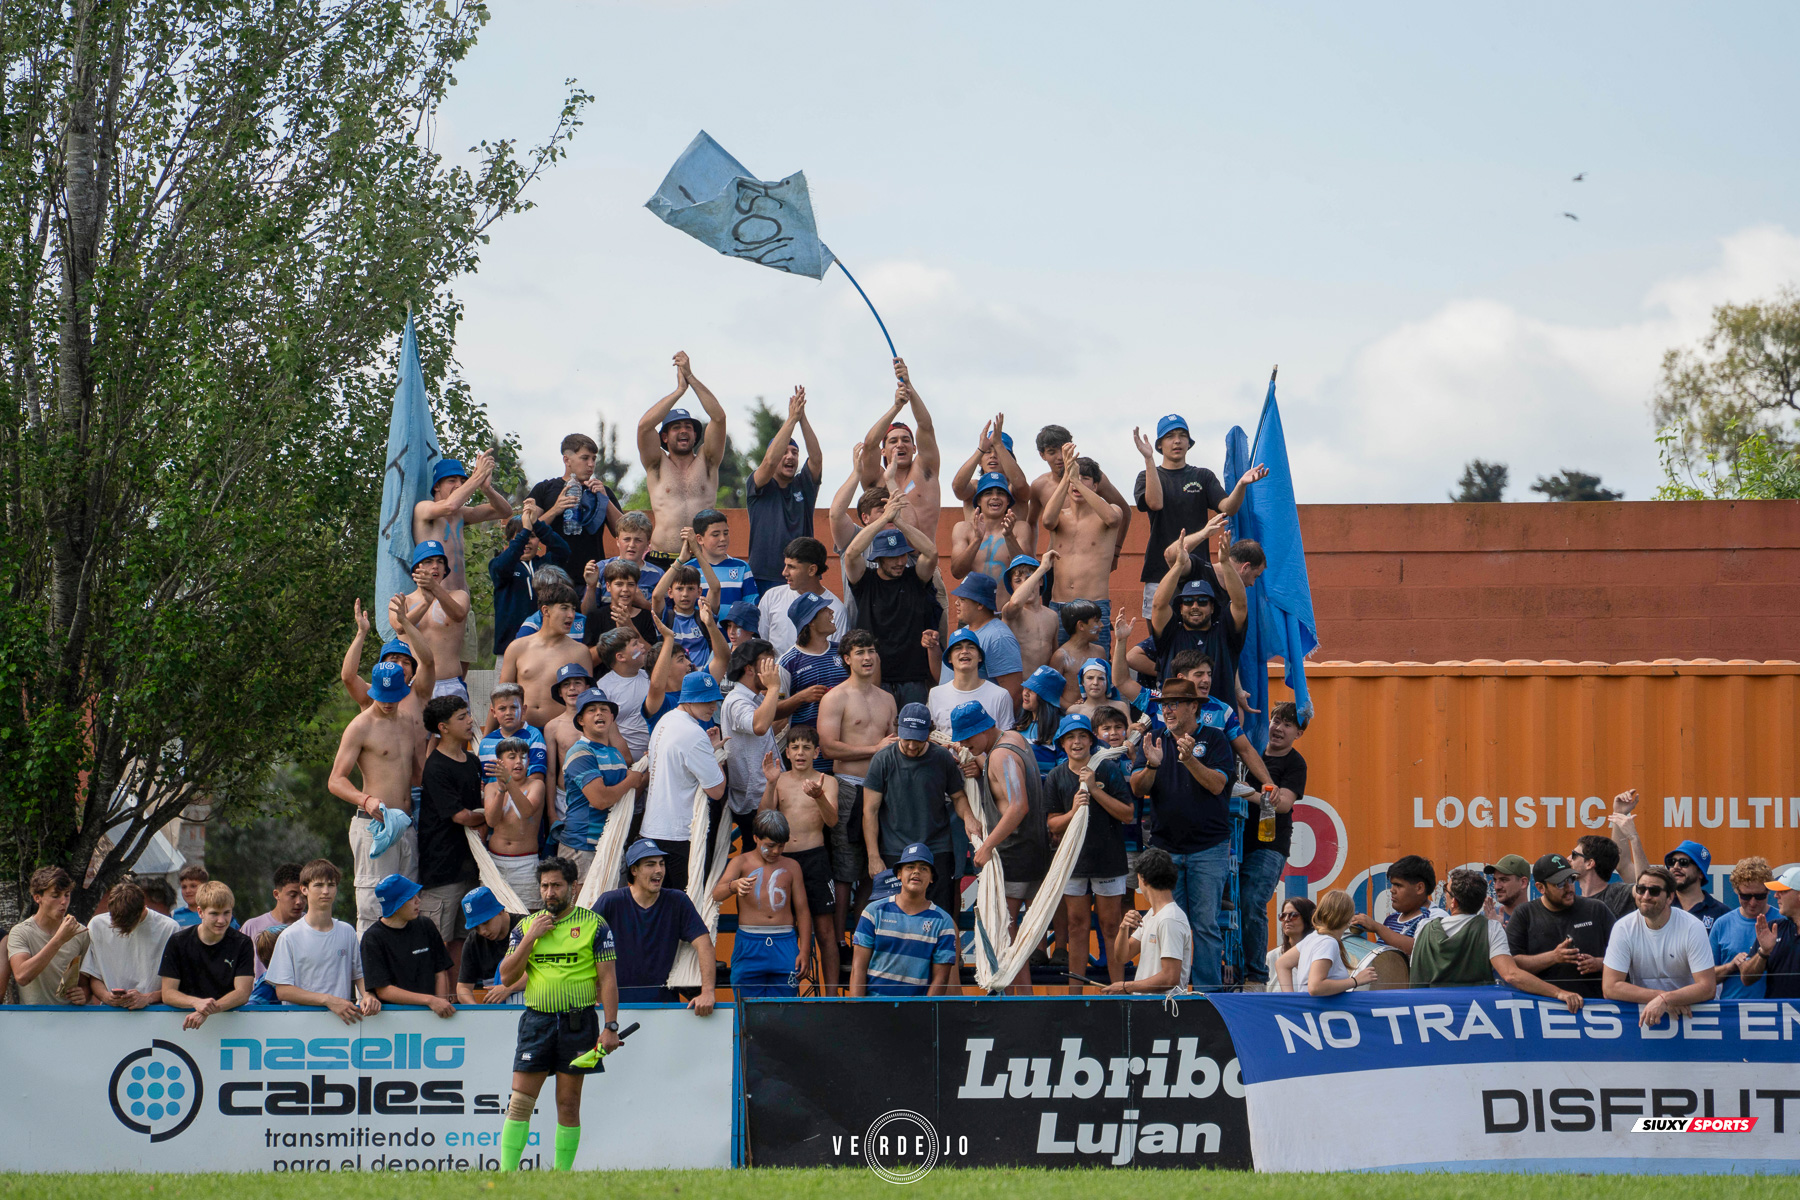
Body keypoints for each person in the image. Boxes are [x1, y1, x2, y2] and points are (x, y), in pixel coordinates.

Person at [496, 857, 623, 1173]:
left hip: (578, 1024)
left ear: (573, 887)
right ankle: (507, 1175)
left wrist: (610, 1027)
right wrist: (531, 937)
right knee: (520, 1103)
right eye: (544, 886)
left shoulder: (595, 925)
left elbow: (607, 979)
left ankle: (561, 1177)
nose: (549, 892)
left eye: (556, 885)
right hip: (536, 1022)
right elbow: (507, 977)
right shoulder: (527, 926)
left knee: (568, 1104)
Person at [1129, 678, 1230, 988]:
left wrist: (1189, 761)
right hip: (1166, 851)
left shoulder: (1214, 739)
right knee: (1166, 924)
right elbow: (1137, 788)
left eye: (1174, 704)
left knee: (1205, 927)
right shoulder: (1155, 738)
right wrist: (1153, 766)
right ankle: (1169, 992)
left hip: (1208, 848)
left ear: (1194, 707)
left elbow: (1217, 785)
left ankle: (1206, 998)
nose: (1168, 710)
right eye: (1164, 705)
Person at [954, 701, 1048, 993]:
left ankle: (1024, 1003)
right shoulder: (1014, 738)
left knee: (1007, 936)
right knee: (1017, 936)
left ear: (983, 729)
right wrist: (980, 765)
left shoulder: (1001, 756)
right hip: (1035, 851)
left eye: (968, 739)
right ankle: (1025, 998)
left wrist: (986, 848)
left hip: (1012, 854)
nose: (966, 745)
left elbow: (1018, 806)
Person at [1132, 413, 1265, 618]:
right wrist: (1148, 459)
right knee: (1161, 642)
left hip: (1197, 572)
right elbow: (1155, 503)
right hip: (1160, 572)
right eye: (1170, 436)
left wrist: (1241, 485)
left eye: (1182, 435)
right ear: (1159, 445)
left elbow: (1228, 508)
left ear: (1189, 442)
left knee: (1200, 638)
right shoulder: (1147, 476)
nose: (1177, 440)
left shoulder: (1202, 476)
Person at [327, 660, 421, 932]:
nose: (388, 703)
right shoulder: (361, 725)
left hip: (405, 825)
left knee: (408, 906)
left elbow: (417, 774)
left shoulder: (407, 721)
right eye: (382, 697)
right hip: (374, 825)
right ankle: (367, 974)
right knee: (373, 908)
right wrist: (365, 799)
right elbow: (335, 780)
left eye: (393, 698)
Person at [1410, 869, 1583, 1011]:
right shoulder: (1490, 928)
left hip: (1428, 1014)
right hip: (1476, 1015)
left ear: (1453, 902)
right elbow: (1512, 974)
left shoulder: (1423, 927)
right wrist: (1559, 993)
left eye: (1446, 892)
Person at [816, 630, 897, 934]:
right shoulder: (835, 697)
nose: (867, 657)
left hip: (882, 789)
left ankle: (862, 934)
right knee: (846, 869)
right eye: (860, 652)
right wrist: (873, 749)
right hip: (849, 787)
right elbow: (828, 747)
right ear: (847, 659)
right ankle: (839, 939)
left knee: (871, 870)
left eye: (871, 651)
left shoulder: (887, 699)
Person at [1044, 715, 1134, 987]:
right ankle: (1076, 995)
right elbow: (1052, 824)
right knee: (1076, 926)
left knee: (1110, 926)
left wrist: (1094, 790)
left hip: (1108, 860)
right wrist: (1073, 811)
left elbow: (1128, 814)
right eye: (1071, 737)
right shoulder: (1057, 776)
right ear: (1062, 743)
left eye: (1082, 736)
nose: (1077, 742)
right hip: (1074, 862)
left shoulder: (1107, 770)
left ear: (1091, 741)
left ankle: (1118, 990)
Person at [863, 703, 973, 915]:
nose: (912, 746)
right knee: (894, 917)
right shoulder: (882, 759)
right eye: (907, 739)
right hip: (895, 849)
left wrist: (969, 818)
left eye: (918, 740)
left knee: (941, 914)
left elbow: (958, 796)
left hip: (937, 848)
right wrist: (873, 856)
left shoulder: (942, 758)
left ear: (929, 734)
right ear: (897, 732)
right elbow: (870, 811)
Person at [760, 725, 841, 989]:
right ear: (787, 753)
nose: (800, 752)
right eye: (795, 747)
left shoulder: (827, 781)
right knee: (784, 929)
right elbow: (763, 820)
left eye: (807, 747)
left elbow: (832, 821)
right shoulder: (779, 780)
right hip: (784, 862)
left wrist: (818, 798)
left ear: (817, 752)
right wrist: (771, 783)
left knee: (826, 932)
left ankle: (831, 998)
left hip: (815, 859)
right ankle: (787, 991)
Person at [595, 839, 717, 1010]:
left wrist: (708, 992)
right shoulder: (610, 902)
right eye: (650, 864)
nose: (659, 870)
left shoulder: (677, 900)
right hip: (614, 1006)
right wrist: (588, 993)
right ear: (634, 870)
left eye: (661, 863)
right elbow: (584, 946)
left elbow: (705, 945)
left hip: (664, 1006)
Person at [843, 501, 942, 708]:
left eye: (902, 554)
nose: (899, 562)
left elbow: (931, 553)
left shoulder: (915, 578)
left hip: (913, 679)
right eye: (892, 557)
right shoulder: (865, 582)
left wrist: (897, 520)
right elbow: (851, 553)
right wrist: (882, 520)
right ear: (878, 558)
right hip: (875, 678)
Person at [637, 351, 729, 567]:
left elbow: (719, 417)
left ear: (696, 435)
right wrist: (679, 390)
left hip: (702, 559)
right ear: (664, 437)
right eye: (676, 427)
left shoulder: (708, 460)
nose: (683, 431)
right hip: (660, 560)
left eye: (688, 427)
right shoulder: (656, 462)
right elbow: (644, 426)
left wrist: (691, 377)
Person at [1238, 701, 1306, 990]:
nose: (1278, 727)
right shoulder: (1249, 750)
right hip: (1232, 841)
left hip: (1268, 845)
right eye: (1275, 720)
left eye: (1287, 724)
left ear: (1298, 733)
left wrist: (1246, 792)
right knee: (1227, 906)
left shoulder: (1294, 763)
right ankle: (1229, 969)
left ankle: (1256, 977)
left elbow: (1285, 804)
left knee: (1252, 902)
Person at [1147, 523, 1248, 714]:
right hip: (1175, 722)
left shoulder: (1224, 631)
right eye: (1188, 601)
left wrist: (1226, 563)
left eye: (1202, 601)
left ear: (1212, 607)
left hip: (1219, 725)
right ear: (1180, 606)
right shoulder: (1170, 634)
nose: (1195, 606)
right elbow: (1158, 605)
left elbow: (1240, 604)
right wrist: (1178, 565)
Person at [340, 597, 438, 794]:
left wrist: (405, 623)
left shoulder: (419, 693)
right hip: (383, 797)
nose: (400, 667)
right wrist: (361, 633)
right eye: (393, 660)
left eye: (406, 662)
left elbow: (428, 662)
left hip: (422, 791)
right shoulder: (371, 697)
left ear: (412, 670)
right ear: (382, 666)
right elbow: (348, 677)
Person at [640, 672, 728, 891]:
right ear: (688, 699)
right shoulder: (693, 732)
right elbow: (717, 790)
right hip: (680, 836)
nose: (712, 707)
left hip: (652, 831)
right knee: (686, 909)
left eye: (714, 700)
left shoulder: (665, 720)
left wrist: (708, 750)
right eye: (705, 700)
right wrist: (717, 756)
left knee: (657, 909)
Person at [266, 859, 381, 1024]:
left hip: (343, 1024)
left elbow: (359, 974)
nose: (326, 891)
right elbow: (283, 991)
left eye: (331, 885)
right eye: (319, 885)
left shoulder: (347, 931)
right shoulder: (289, 936)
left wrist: (368, 995)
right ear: (304, 889)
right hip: (299, 1027)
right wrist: (328, 1000)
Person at [1602, 864, 1717, 1027]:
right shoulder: (1623, 928)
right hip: (1648, 1014)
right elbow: (1610, 987)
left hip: (1691, 1016)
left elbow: (1707, 988)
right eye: (1641, 889)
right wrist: (1662, 997)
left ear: (1670, 897)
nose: (1646, 896)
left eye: (1654, 891)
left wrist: (1666, 999)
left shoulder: (1692, 927)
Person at [713, 811, 812, 998]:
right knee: (746, 1005)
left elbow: (803, 911)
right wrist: (733, 886)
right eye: (770, 846)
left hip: (785, 941)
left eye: (781, 846)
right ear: (756, 838)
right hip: (750, 942)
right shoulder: (741, 862)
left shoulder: (792, 866)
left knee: (785, 1005)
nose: (776, 851)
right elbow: (716, 894)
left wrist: (804, 950)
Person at [417, 694, 485, 954]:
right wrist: (491, 815)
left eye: (468, 714)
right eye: (462, 717)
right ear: (443, 728)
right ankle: (436, 996)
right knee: (437, 942)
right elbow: (462, 816)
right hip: (441, 871)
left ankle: (458, 994)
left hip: (469, 868)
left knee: (464, 941)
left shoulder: (472, 761)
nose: (470, 721)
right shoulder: (436, 767)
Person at [1040, 446, 1123, 654]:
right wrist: (1068, 477)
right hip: (1059, 606)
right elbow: (1047, 521)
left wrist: (1076, 480)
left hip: (1094, 605)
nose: (1078, 482)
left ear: (1095, 485)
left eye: (1085, 478)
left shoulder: (1110, 512)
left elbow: (1113, 519)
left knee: (1096, 668)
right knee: (1057, 666)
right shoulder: (1060, 516)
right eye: (1075, 478)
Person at [558, 688, 645, 885]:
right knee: (582, 913)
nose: (599, 713)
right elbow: (601, 800)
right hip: (582, 847)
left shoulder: (615, 753)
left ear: (612, 717)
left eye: (604, 709)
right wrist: (631, 780)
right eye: (592, 710)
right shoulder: (580, 752)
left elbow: (627, 790)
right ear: (580, 720)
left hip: (611, 843)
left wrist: (649, 766)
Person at [848, 844, 959, 997]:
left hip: (916, 1014)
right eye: (910, 867)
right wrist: (858, 1012)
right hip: (873, 1011)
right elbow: (858, 969)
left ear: (932, 878)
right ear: (899, 874)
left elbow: (940, 979)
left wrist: (924, 1014)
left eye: (924, 868)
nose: (916, 872)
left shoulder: (943, 922)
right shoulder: (873, 912)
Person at [746, 385, 824, 596]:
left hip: (804, 577)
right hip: (764, 575)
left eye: (795, 452)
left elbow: (816, 459)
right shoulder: (758, 483)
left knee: (806, 629)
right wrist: (791, 419)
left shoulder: (804, 485)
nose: (790, 456)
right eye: (785, 451)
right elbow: (770, 460)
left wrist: (802, 418)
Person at [1505, 853, 1615, 1000]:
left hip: (1593, 1008)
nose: (1569, 888)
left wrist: (1600, 963)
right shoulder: (1524, 914)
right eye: (1560, 884)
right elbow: (1512, 966)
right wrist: (1553, 957)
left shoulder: (1597, 909)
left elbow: (1627, 955)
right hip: (1543, 1010)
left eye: (1571, 879)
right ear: (1540, 887)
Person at [414, 451, 514, 605]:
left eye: (462, 481)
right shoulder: (424, 509)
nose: (459, 485)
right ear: (436, 486)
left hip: (461, 601)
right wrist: (478, 475)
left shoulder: (461, 514)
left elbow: (505, 512)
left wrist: (487, 489)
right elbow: (450, 505)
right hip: (433, 601)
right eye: (452, 480)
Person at [499, 582, 597, 730]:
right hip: (522, 732)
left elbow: (587, 700)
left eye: (573, 609)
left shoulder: (580, 652)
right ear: (546, 610)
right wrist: (488, 735)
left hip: (562, 733)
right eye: (564, 608)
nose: (571, 615)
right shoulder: (517, 648)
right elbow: (501, 696)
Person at [158, 881, 255, 1029]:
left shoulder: (242, 943)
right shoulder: (178, 942)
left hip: (230, 1025)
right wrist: (196, 1003)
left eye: (227, 913)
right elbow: (168, 993)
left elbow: (242, 992)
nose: (221, 920)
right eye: (214, 914)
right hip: (183, 1023)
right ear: (200, 912)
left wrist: (206, 1011)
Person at [857, 357, 942, 525]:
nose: (900, 444)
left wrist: (908, 385)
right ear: (883, 451)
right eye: (893, 441)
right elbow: (869, 445)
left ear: (914, 447)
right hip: (884, 551)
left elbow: (926, 427)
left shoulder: (925, 469)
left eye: (905, 440)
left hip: (922, 550)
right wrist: (896, 407)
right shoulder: (876, 478)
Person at [528, 433, 622, 585]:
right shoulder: (545, 488)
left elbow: (622, 531)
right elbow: (528, 531)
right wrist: (555, 510)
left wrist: (605, 499)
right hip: (554, 577)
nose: (591, 464)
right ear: (567, 460)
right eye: (585, 458)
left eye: (594, 458)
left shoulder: (602, 491)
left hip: (592, 576)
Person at [361, 874, 455, 1019]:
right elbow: (384, 990)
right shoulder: (372, 938)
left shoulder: (426, 925)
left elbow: (440, 972)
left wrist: (440, 1005)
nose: (418, 901)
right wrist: (430, 1000)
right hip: (394, 1020)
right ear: (396, 906)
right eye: (411, 898)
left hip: (433, 1013)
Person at [721, 640, 785, 850]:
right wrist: (774, 687)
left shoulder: (754, 698)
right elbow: (758, 726)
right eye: (766, 664)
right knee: (759, 858)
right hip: (753, 801)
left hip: (764, 793)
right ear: (749, 669)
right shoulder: (737, 700)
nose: (773, 670)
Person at [490, 496, 573, 657]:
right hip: (509, 648)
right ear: (511, 541)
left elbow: (564, 551)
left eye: (532, 537)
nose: (527, 542)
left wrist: (537, 524)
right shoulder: (500, 565)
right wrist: (526, 530)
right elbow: (502, 566)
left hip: (546, 647)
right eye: (520, 536)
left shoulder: (546, 564)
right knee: (507, 683)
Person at [1104, 848, 1192, 995]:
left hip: (1163, 1011)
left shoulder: (1170, 919)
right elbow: (1122, 957)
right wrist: (1123, 928)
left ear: (1143, 879)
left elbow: (1171, 977)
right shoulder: (1152, 914)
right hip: (1148, 1007)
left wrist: (1126, 987)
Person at [80, 880, 178, 1008]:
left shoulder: (169, 928)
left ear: (143, 907)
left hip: (156, 1011)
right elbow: (93, 974)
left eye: (129, 924)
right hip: (110, 1012)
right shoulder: (97, 925)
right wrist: (106, 996)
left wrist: (147, 998)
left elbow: (177, 984)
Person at [403, 539, 473, 700]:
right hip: (414, 685)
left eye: (440, 562)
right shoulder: (403, 601)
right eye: (428, 561)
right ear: (416, 568)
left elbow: (459, 614)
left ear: (444, 569)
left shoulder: (459, 595)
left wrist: (434, 588)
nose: (435, 566)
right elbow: (400, 626)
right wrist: (426, 602)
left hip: (450, 685)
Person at [778, 594, 847, 754]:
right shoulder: (787, 662)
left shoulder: (843, 651)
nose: (831, 611)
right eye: (824, 609)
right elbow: (774, 711)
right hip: (809, 758)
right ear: (811, 621)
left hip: (844, 752)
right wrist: (801, 697)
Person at [759, 537, 846, 663]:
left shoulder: (837, 610)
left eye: (792, 567)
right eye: (785, 565)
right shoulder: (771, 597)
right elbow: (761, 643)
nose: (784, 572)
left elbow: (837, 659)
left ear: (812, 570)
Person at [944, 572, 1024, 709]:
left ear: (979, 604)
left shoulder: (998, 637)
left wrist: (995, 729)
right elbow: (946, 676)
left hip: (980, 727)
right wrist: (932, 649)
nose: (956, 603)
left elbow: (1013, 695)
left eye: (963, 599)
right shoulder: (964, 632)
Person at [485, 738, 547, 903]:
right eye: (512, 756)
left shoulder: (536, 785)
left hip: (525, 864)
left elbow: (526, 811)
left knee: (527, 916)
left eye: (523, 757)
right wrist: (501, 790)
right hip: (495, 862)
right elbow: (491, 821)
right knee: (496, 916)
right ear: (500, 762)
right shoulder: (490, 787)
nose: (519, 761)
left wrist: (508, 782)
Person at [1350, 854, 1444, 957]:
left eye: (1398, 885)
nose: (1392, 890)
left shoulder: (1436, 918)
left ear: (1419, 888)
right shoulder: (1391, 919)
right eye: (1392, 885)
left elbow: (1422, 950)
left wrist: (1377, 928)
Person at [1291, 889, 1380, 997]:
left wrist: (1292, 999)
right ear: (1348, 918)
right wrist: (1355, 981)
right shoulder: (1328, 942)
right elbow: (1315, 987)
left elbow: (1282, 963)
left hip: (1312, 1010)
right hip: (1320, 1011)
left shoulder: (1313, 937)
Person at [928, 627, 1015, 737]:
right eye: (958, 648)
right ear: (949, 658)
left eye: (971, 647)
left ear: (979, 657)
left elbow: (1006, 741)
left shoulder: (1000, 695)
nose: (964, 651)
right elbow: (933, 737)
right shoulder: (935, 694)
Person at [1712, 857, 1778, 1000]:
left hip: (1777, 1012)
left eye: (1759, 896)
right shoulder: (1722, 924)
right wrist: (1730, 966)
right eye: (1746, 896)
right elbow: (1705, 977)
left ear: (1768, 892)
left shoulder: (1782, 921)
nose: (1753, 903)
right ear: (1736, 891)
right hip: (1732, 1013)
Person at [949, 470, 1025, 590]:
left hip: (1008, 607)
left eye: (1000, 493)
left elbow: (1027, 571)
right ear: (979, 500)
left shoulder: (1020, 528)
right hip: (975, 607)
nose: (995, 497)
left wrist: (1009, 536)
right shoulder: (963, 529)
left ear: (1008, 500)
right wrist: (977, 539)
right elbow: (957, 572)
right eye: (988, 493)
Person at [649, 546, 721, 668]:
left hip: (701, 681)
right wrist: (680, 559)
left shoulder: (704, 616)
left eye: (691, 588)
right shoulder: (666, 618)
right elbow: (656, 596)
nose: (685, 594)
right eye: (679, 589)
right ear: (670, 592)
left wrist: (698, 553)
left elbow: (715, 588)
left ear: (699, 592)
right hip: (674, 682)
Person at [542, 662, 596, 817]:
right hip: (565, 796)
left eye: (577, 683)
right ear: (560, 692)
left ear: (587, 687)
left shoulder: (603, 720)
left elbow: (622, 756)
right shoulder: (553, 727)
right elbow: (551, 773)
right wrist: (551, 813)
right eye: (566, 684)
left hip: (598, 795)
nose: (572, 688)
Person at [455, 887, 525, 1005]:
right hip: (494, 1009)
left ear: (499, 911)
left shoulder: (526, 926)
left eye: (486, 922)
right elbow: (462, 988)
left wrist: (508, 988)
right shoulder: (473, 941)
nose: (483, 931)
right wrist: (477, 1011)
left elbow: (545, 969)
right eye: (476, 927)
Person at [1740, 866, 1800, 999]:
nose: (1776, 895)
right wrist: (1763, 952)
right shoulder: (1773, 928)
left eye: (1782, 891)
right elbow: (1746, 978)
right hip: (1780, 1018)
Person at [999, 553, 1060, 679]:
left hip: (1043, 688)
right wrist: (1042, 568)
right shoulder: (1011, 612)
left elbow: (1055, 655)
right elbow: (1015, 602)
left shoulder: (1052, 616)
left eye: (1029, 579)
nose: (1025, 584)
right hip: (1020, 687)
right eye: (1018, 581)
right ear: (1011, 586)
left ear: (1041, 581)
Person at [596, 627, 654, 761]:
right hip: (624, 763)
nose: (642, 646)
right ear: (620, 657)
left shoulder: (651, 678)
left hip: (657, 756)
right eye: (635, 644)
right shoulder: (603, 688)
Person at [241, 863, 305, 979]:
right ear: (276, 894)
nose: (299, 901)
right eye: (292, 895)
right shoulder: (252, 927)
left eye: (303, 895)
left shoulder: (311, 926)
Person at [1664, 838, 1730, 933]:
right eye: (1672, 862)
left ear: (1700, 873)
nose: (1675, 867)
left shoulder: (1721, 914)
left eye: (1683, 862)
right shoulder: (1662, 904)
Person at [1571, 831, 1636, 917]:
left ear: (1589, 863)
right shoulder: (1570, 903)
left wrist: (1635, 839)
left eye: (1574, 855)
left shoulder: (1619, 895)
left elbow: (1647, 885)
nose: (1568, 858)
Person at [1268, 896, 1317, 991]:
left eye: (1293, 915)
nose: (1286, 919)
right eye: (1282, 916)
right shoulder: (1272, 957)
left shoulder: (1320, 956)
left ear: (1308, 919)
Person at [1484, 854, 1532, 925]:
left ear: (1523, 882)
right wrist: (1493, 928)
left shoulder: (1539, 919)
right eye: (1495, 880)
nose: (1497, 887)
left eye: (1503, 880)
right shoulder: (1486, 917)